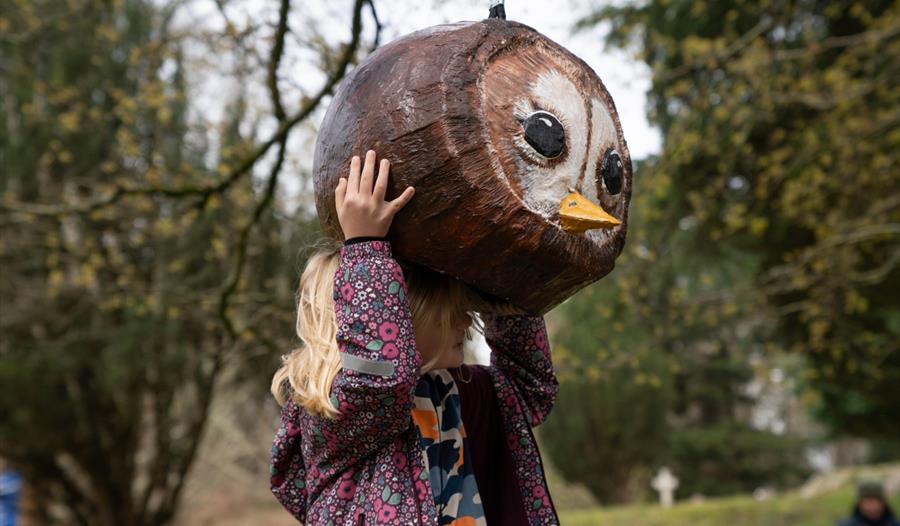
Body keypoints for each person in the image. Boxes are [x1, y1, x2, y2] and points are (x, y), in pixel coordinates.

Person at [269, 150, 560, 525]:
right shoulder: (339, 410)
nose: (466, 321)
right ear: (397, 316)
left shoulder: (459, 392)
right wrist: (365, 247)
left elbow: (529, 388)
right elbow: (381, 379)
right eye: (450, 309)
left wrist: (500, 272)